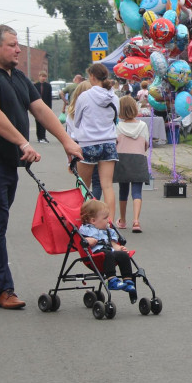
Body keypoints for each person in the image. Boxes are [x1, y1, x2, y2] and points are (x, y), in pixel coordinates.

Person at [0, 25, 82, 310]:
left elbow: (40, 110)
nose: (18, 50)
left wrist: (67, 142)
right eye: (12, 45)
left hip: (5, 161)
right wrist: (24, 143)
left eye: (18, 45)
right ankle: (4, 289)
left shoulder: (19, 76)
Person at [73, 63, 121, 222]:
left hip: (88, 143)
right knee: (107, 185)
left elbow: (77, 120)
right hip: (109, 143)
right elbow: (116, 119)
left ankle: (84, 220)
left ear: (92, 77)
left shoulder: (84, 96)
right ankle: (110, 222)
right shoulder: (114, 97)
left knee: (83, 185)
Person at [78, 198, 137, 301]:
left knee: (123, 255)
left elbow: (113, 244)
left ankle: (128, 280)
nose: (108, 220)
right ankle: (112, 280)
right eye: (105, 218)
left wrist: (119, 248)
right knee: (108, 254)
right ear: (93, 220)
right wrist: (88, 240)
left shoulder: (108, 231)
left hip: (109, 252)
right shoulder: (86, 229)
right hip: (96, 254)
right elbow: (81, 239)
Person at [114, 95, 150, 233]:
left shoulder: (118, 127)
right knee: (137, 192)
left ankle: (122, 220)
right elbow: (146, 144)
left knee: (123, 191)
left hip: (122, 160)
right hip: (138, 160)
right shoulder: (143, 126)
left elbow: (115, 143)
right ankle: (136, 220)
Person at [34, 71, 53, 143]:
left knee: (44, 122)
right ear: (39, 77)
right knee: (38, 121)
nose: (43, 78)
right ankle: (39, 137)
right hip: (37, 106)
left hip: (45, 106)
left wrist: (49, 108)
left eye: (44, 77)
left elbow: (49, 98)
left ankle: (43, 136)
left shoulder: (48, 86)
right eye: (42, 76)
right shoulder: (35, 85)